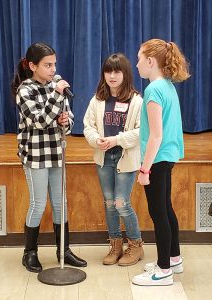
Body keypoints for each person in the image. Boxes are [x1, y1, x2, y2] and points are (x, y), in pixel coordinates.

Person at [11, 41, 87, 273]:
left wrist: (67, 121)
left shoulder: (57, 85)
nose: (53, 69)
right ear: (33, 66)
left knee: (60, 203)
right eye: (47, 65)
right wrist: (56, 96)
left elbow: (68, 115)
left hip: (56, 152)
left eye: (54, 64)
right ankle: (30, 252)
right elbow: (40, 121)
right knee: (38, 203)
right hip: (35, 154)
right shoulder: (25, 90)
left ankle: (63, 249)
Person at [132, 39, 190, 286]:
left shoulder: (153, 90)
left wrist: (144, 168)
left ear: (150, 61)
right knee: (166, 209)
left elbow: (156, 135)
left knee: (158, 213)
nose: (136, 65)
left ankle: (164, 270)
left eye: (139, 59)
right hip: (167, 156)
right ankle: (173, 259)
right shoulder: (166, 85)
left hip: (157, 158)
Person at [83, 53, 144, 266]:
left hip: (125, 158)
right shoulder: (97, 99)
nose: (112, 75)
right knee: (109, 203)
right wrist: (96, 139)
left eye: (117, 71)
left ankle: (135, 245)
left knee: (121, 202)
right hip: (104, 158)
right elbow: (88, 126)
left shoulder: (136, 101)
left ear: (125, 74)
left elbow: (140, 132)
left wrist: (116, 139)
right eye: (108, 71)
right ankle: (115, 244)